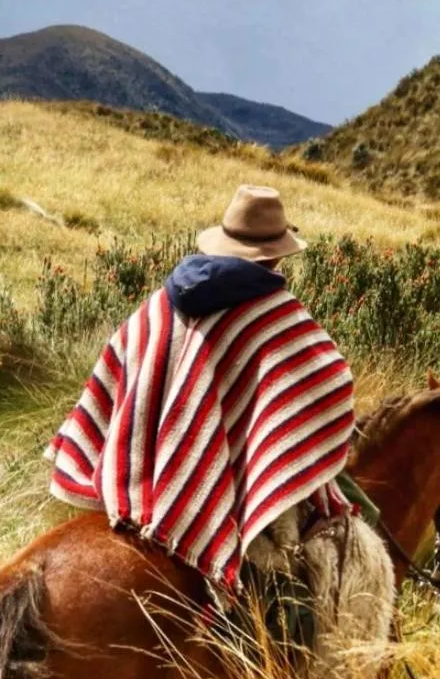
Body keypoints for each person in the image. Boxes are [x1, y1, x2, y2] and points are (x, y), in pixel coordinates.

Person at [45, 184, 357, 592]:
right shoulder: (275, 313)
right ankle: (275, 620)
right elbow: (332, 381)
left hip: (137, 485)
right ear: (277, 253)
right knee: (301, 568)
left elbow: (120, 356)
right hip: (215, 484)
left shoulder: (163, 299)